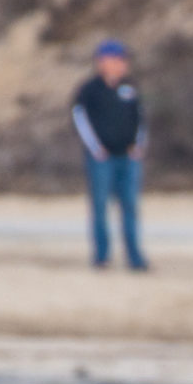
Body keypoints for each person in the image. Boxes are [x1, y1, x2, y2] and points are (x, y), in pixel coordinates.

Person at [71, 39, 148, 272]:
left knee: (130, 206)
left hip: (128, 156)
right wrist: (96, 148)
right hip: (101, 158)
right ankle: (102, 256)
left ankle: (135, 257)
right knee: (100, 206)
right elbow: (79, 118)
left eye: (123, 60)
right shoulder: (89, 90)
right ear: (102, 62)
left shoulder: (130, 87)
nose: (122, 64)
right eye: (116, 59)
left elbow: (141, 117)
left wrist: (138, 144)